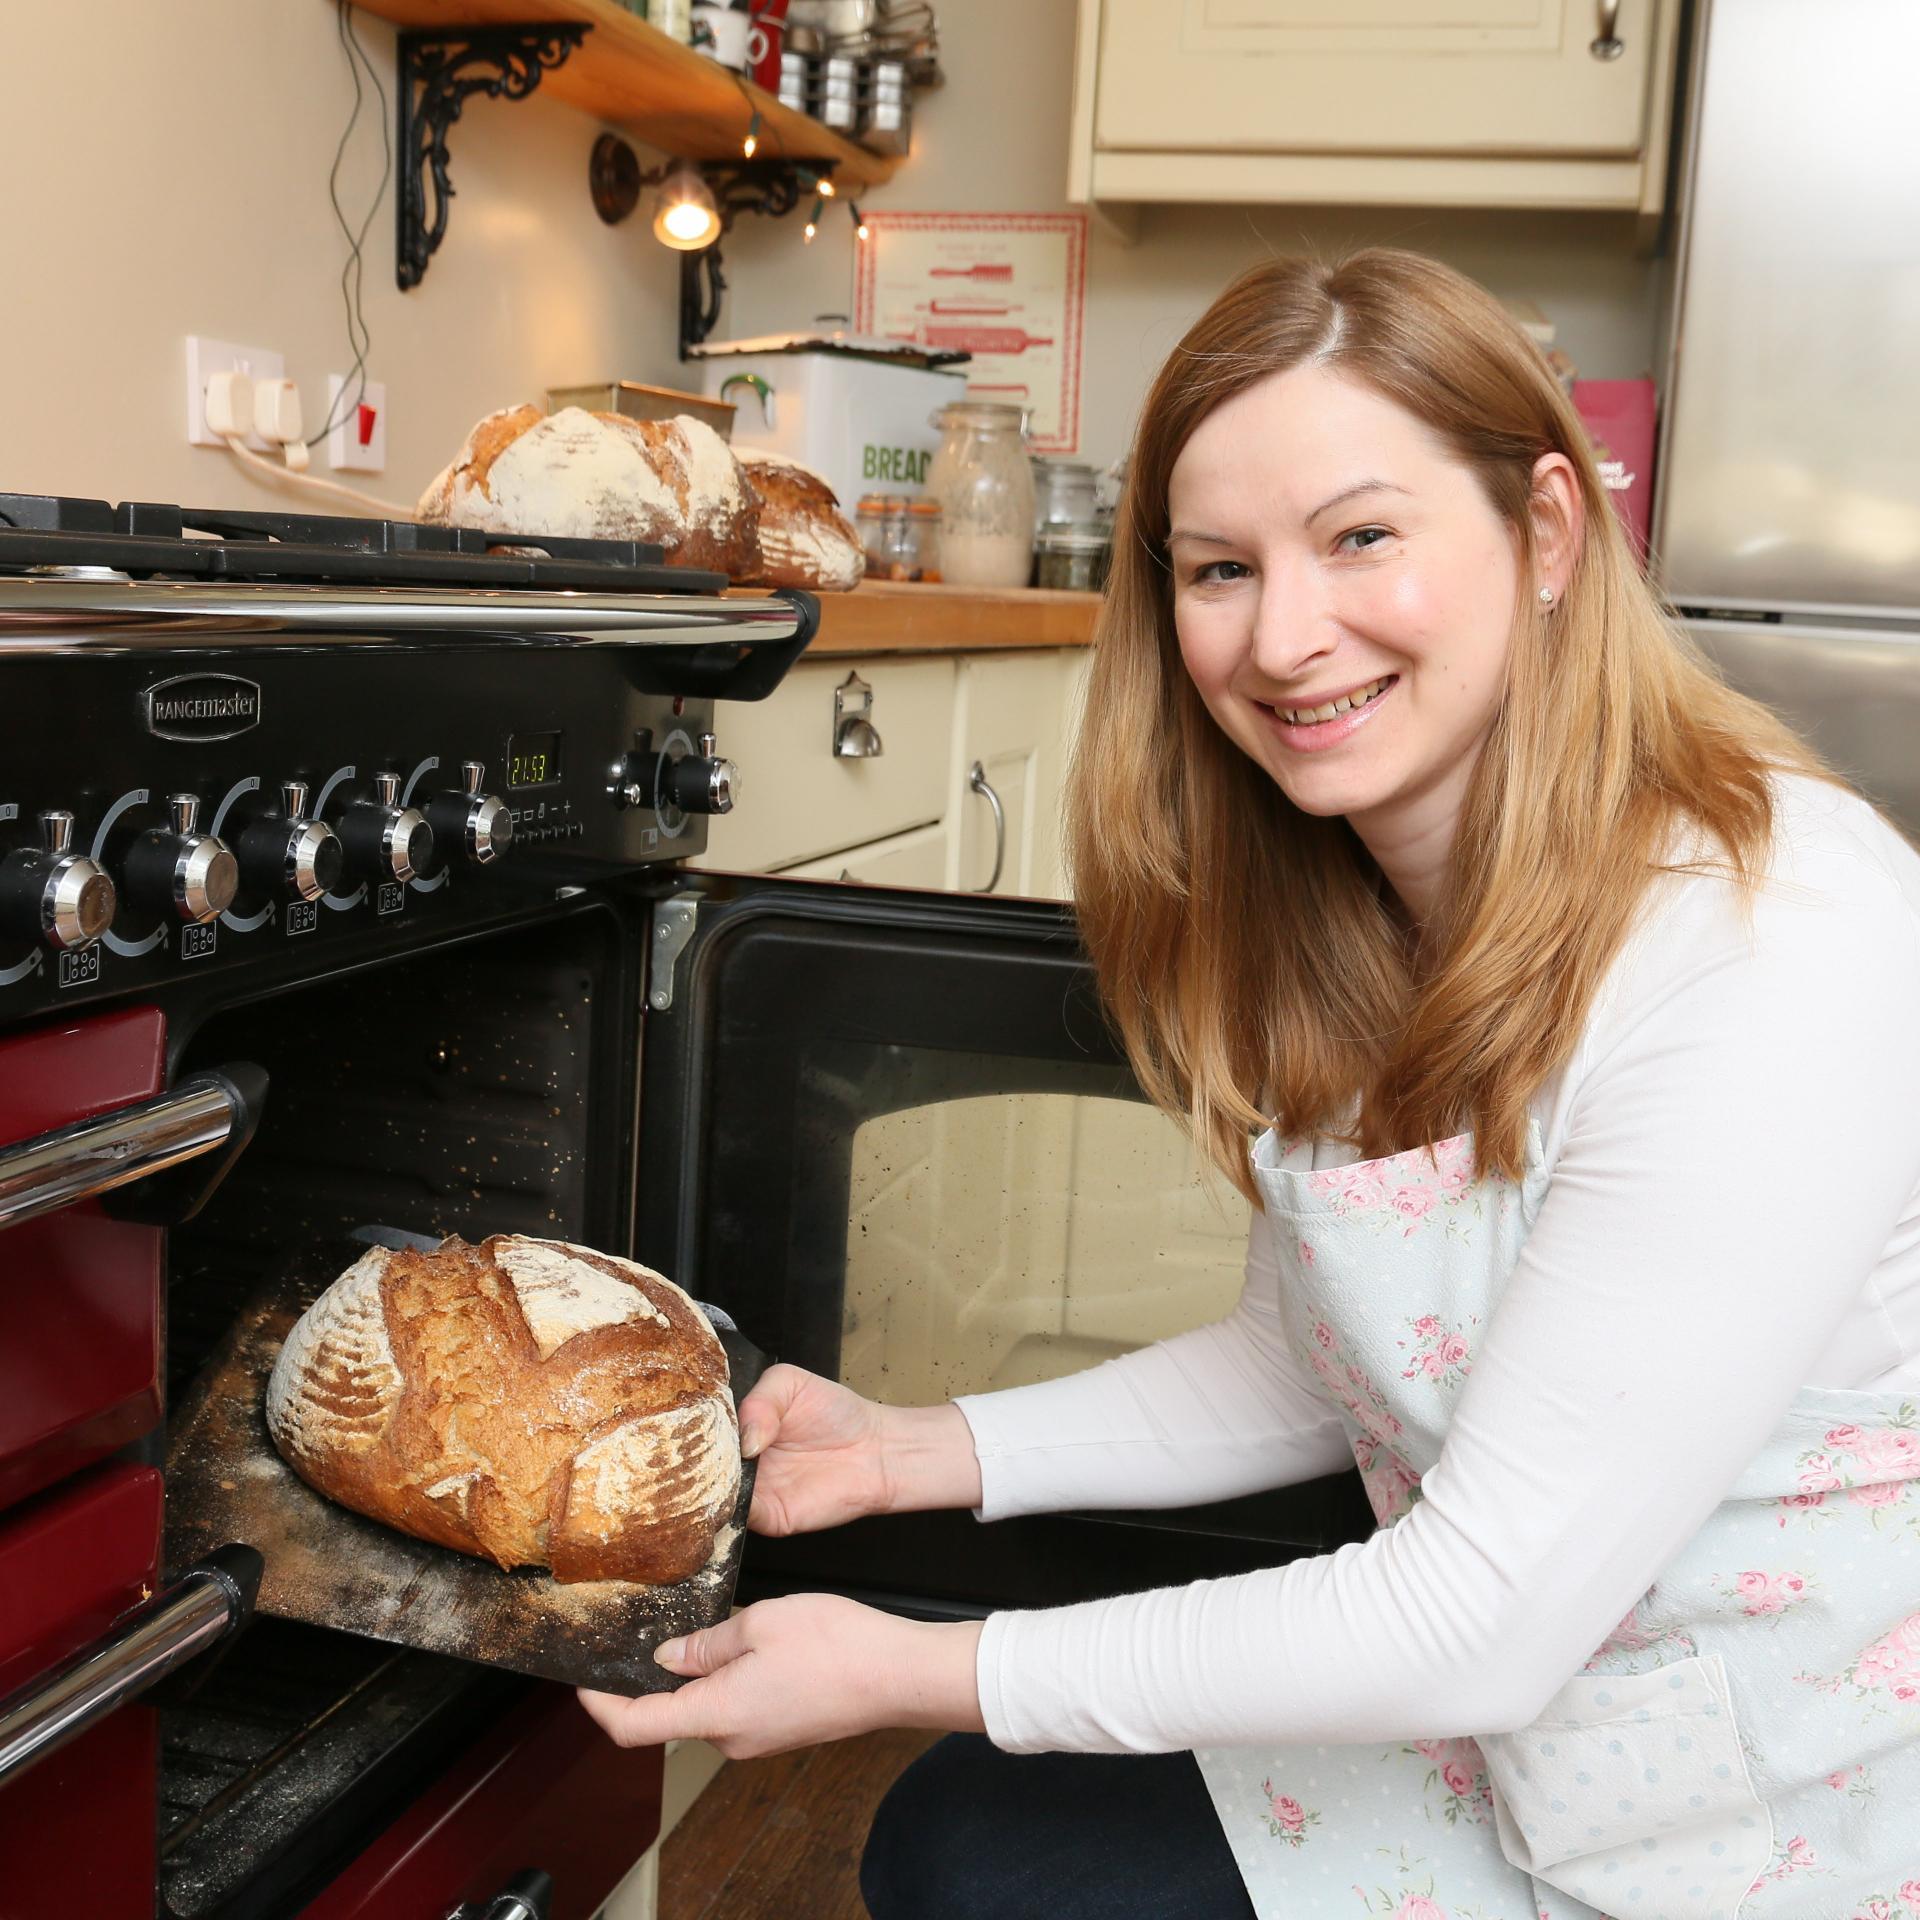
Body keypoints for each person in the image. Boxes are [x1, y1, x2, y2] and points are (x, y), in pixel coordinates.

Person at [579, 250, 1920, 1918]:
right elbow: (1327, 1358)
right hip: (1516, 1748)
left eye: (1363, 537)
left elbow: (1475, 1616)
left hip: (1762, 1817)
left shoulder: (1770, 943)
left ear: (1548, 533)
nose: (1287, 639)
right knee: (966, 1846)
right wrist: (911, 1449)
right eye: (1221, 567)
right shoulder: (1356, 911)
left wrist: (915, 1665)